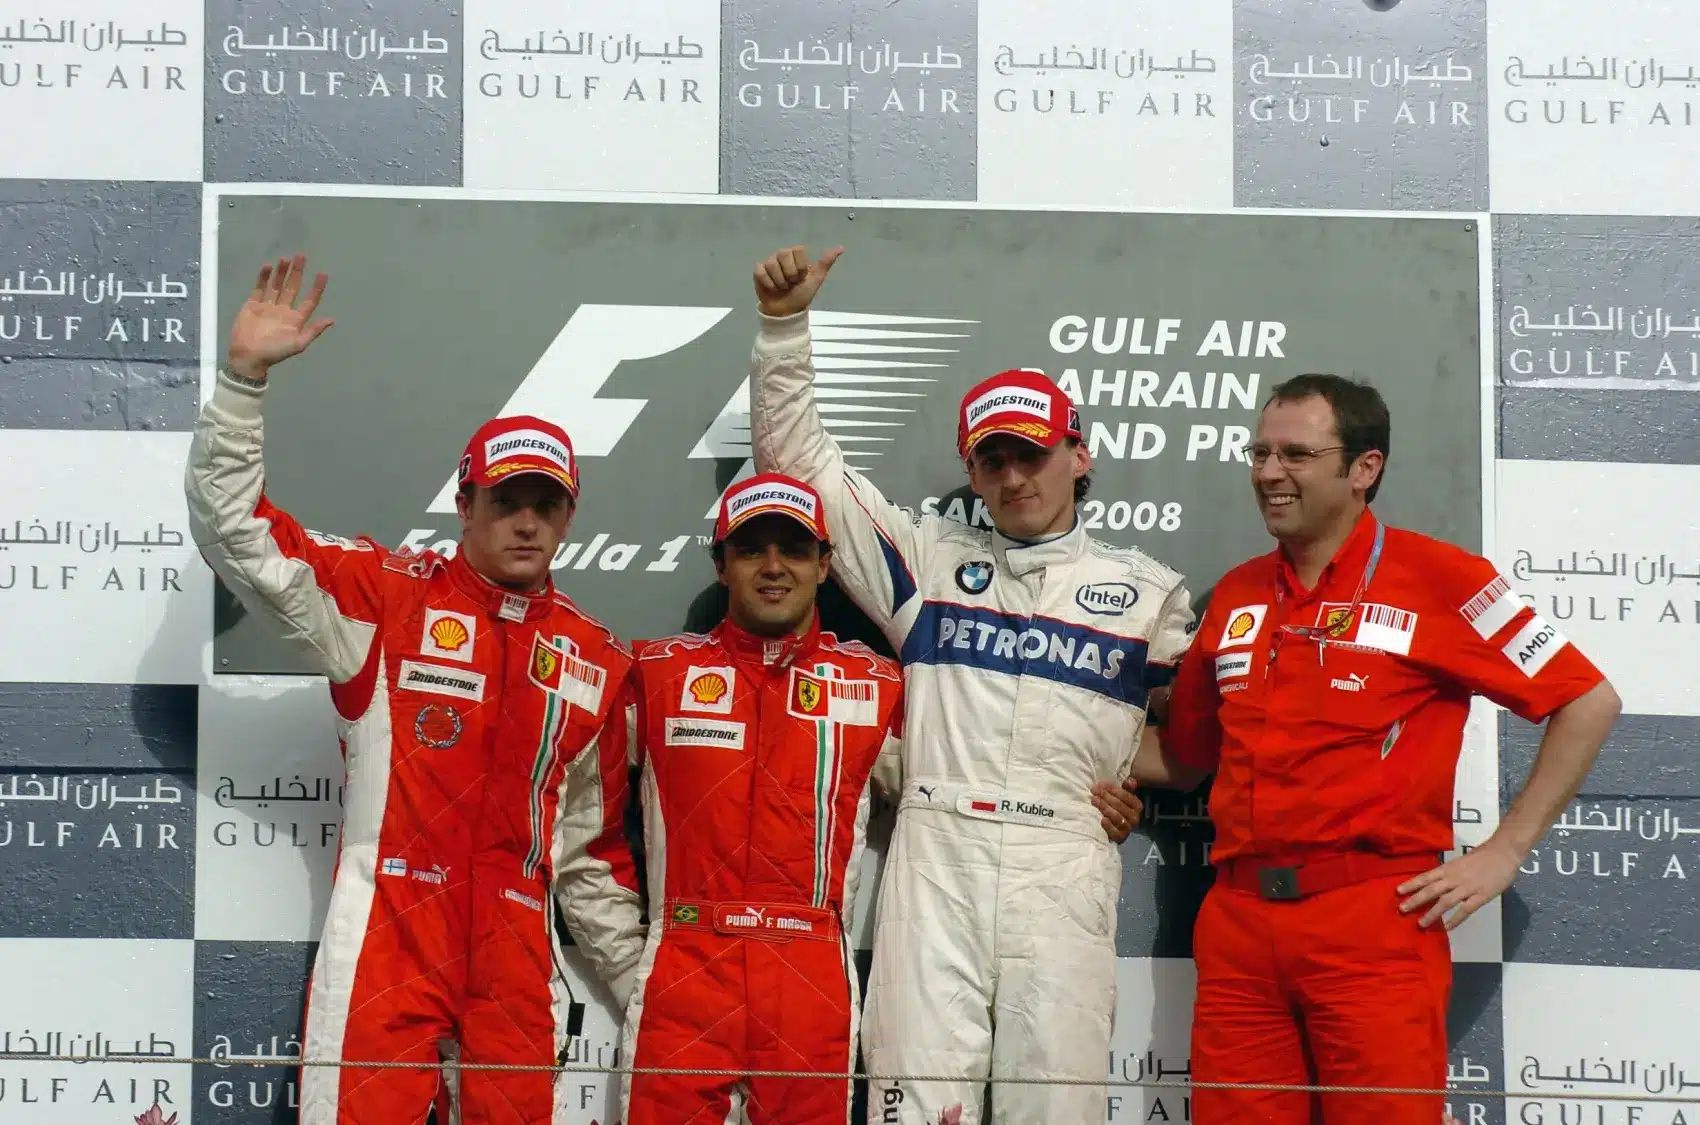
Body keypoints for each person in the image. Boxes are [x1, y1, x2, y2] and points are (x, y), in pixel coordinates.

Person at [185, 255, 646, 1125]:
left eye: (546, 504)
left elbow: (589, 858)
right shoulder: (387, 599)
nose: (526, 521)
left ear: (569, 516)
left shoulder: (596, 662)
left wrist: (655, 994)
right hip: (389, 934)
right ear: (465, 505)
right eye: (506, 500)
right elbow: (238, 534)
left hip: (515, 955)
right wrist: (242, 384)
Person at [744, 244, 1195, 1125]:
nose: (1014, 476)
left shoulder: (1149, 594)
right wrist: (783, 329)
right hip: (936, 850)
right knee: (912, 1105)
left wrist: (1116, 773)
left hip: (1062, 859)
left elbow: (1198, 743)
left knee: (1053, 1111)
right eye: (993, 460)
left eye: (1033, 453)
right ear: (973, 471)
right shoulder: (928, 561)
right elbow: (801, 468)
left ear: (1080, 455)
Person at [1133, 373, 1622, 1125]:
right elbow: (1185, 757)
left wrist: (1505, 850)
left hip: (1374, 919)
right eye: (1260, 453)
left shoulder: (1446, 579)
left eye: (1296, 454)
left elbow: (1588, 700)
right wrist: (1045, 747)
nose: (1269, 472)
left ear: (1364, 467)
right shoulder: (1234, 595)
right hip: (1237, 923)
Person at [560, 471, 905, 1124]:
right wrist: (635, 962)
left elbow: (958, 794)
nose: (774, 566)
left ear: (824, 565)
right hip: (685, 963)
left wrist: (1093, 790)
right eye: (751, 549)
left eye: (794, 549)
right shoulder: (656, 674)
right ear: (721, 565)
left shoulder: (876, 687)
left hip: (809, 977)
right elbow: (576, 821)